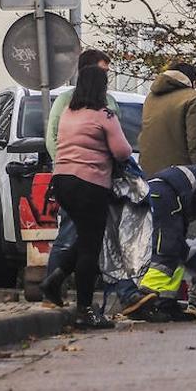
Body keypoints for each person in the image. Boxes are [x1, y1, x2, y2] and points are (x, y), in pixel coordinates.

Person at [40, 66, 133, 329]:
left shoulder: (69, 112)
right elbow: (123, 151)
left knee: (84, 238)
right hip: (90, 183)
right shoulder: (105, 114)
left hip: (62, 180)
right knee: (91, 248)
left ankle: (54, 280)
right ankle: (85, 309)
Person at [125, 164, 196, 320]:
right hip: (165, 197)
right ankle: (144, 298)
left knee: (179, 251)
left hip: (158, 194)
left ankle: (167, 303)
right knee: (167, 249)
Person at [138, 61, 196, 176]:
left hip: (149, 174)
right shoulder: (193, 98)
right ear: (191, 80)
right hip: (180, 176)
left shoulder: (151, 97)